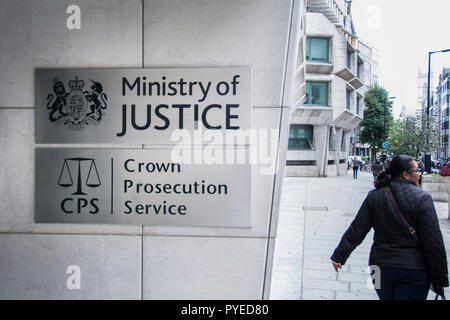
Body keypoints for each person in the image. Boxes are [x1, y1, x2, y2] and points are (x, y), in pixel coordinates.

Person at [330, 155, 448, 300]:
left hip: (378, 269)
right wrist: (440, 279)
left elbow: (357, 229)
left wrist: (339, 255)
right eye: (417, 170)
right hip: (414, 271)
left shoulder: (375, 195)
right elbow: (433, 241)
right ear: (405, 174)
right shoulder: (422, 198)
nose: (419, 174)